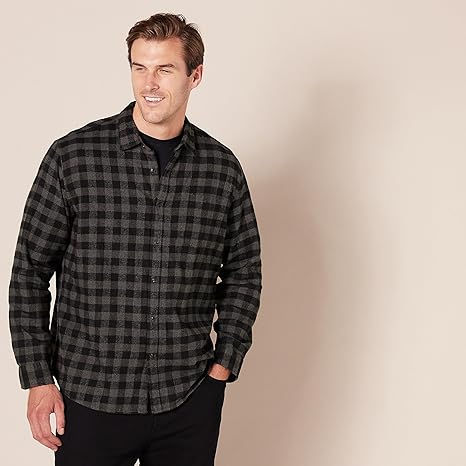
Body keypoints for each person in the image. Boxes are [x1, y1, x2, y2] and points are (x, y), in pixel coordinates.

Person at [8, 12, 262, 466]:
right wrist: (38, 378)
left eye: (165, 69)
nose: (149, 83)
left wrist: (223, 365)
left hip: (188, 396)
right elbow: (29, 271)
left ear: (195, 75)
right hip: (90, 397)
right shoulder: (74, 157)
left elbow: (244, 273)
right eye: (139, 67)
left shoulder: (221, 169)